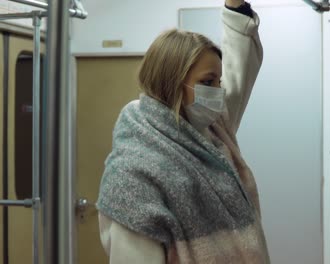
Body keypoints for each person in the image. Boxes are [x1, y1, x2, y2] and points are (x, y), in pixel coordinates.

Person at [96, 0, 269, 263]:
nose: (218, 91)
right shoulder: (133, 175)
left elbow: (238, 74)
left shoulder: (211, 130)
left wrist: (236, 8)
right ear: (172, 81)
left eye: (218, 82)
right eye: (208, 82)